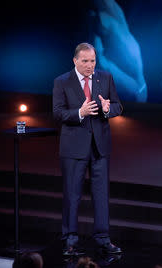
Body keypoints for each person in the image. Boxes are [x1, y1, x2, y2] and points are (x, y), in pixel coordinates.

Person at [53, 42, 123, 256]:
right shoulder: (62, 82)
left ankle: (102, 238)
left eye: (93, 61)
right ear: (75, 61)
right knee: (72, 195)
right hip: (74, 148)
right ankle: (70, 240)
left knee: (101, 194)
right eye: (85, 61)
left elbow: (118, 106)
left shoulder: (106, 78)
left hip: (100, 147)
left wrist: (107, 109)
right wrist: (80, 113)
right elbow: (58, 113)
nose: (89, 65)